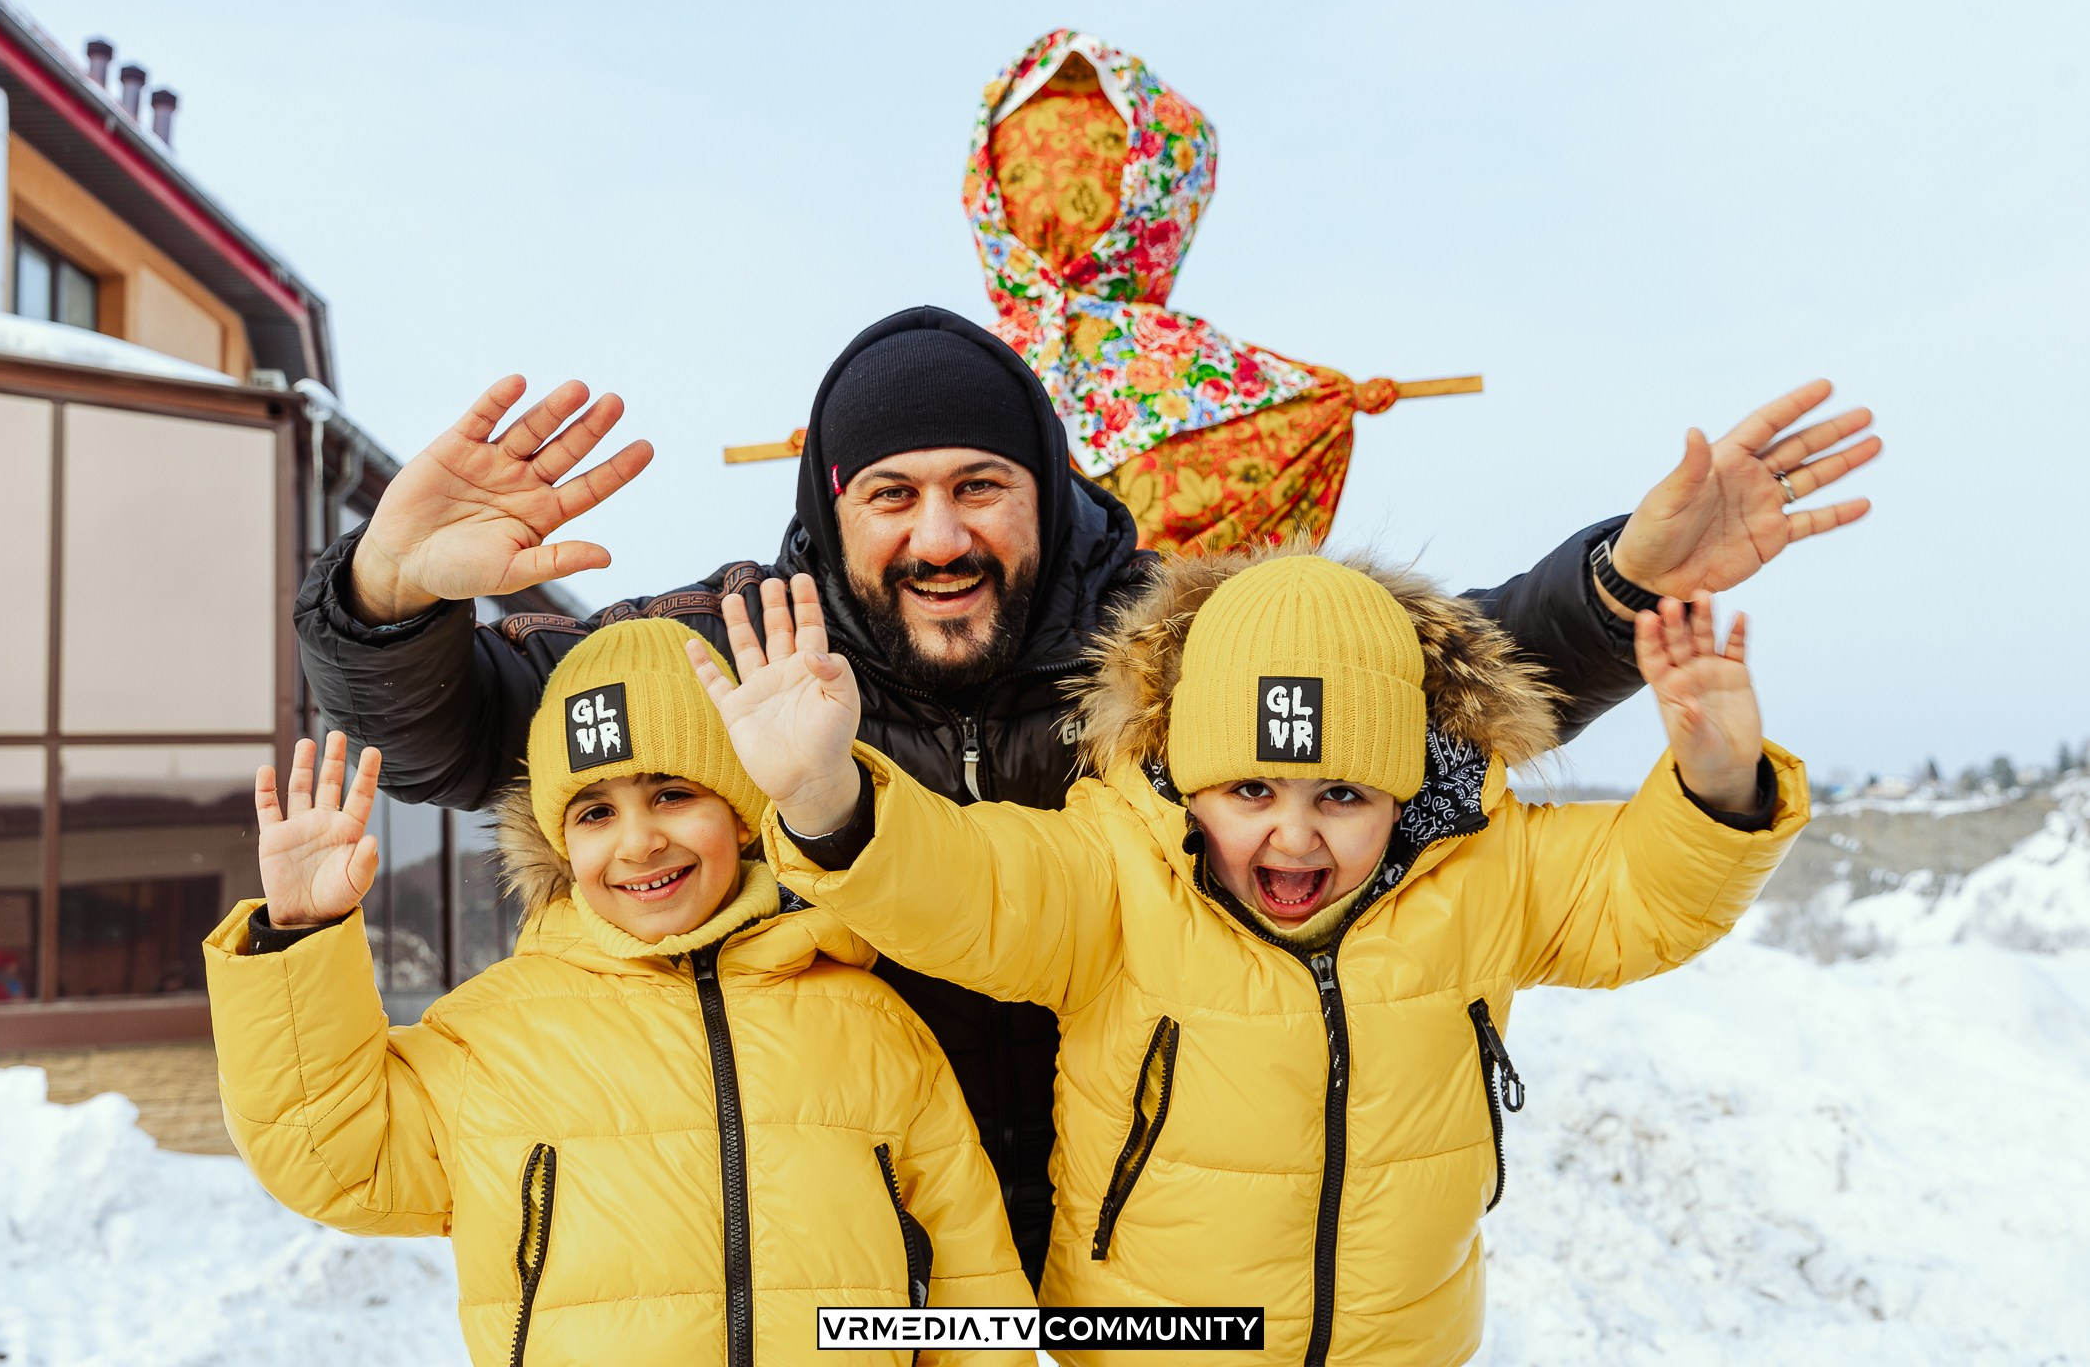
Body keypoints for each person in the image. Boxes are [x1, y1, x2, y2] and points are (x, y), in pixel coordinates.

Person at [295, 304, 1876, 1279]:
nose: (938, 536)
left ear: (1045, 491)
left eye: (979, 486)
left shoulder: (1166, 643)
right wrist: (383, 599)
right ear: (829, 513)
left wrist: (1620, 587)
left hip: (1145, 1257)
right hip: (877, 1255)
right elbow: (480, 738)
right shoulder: (747, 657)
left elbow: (1400, 697)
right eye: (891, 495)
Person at [697, 554, 1808, 1367]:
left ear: (1404, 789)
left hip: (1404, 1341)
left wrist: (1718, 783)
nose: (1293, 835)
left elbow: (1641, 899)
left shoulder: (1482, 872)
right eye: (1250, 789)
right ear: (1187, 776)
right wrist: (824, 795)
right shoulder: (1116, 875)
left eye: (1343, 794)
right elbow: (960, 886)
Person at [204, 620, 1030, 1366]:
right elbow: (328, 1154)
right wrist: (301, 933)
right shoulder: (488, 1039)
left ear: (741, 812)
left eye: (673, 794)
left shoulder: (871, 1023)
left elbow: (973, 1291)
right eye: (596, 813)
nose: (638, 842)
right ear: (561, 843)